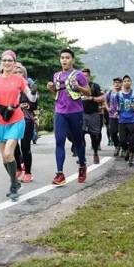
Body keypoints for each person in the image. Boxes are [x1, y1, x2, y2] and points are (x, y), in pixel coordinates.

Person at [0, 50, 36, 201]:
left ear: (14, 63)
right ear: (1, 62)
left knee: (9, 154)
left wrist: (34, 92)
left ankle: (14, 186)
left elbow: (32, 98)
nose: (7, 63)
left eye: (10, 60)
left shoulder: (19, 80)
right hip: (0, 119)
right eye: (4, 60)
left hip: (16, 118)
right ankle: (15, 182)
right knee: (4, 159)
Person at [46, 49, 91, 185]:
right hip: (60, 112)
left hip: (75, 112)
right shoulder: (56, 75)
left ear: (72, 60)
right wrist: (51, 88)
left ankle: (82, 165)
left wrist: (79, 87)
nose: (64, 60)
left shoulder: (78, 75)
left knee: (78, 142)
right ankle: (60, 174)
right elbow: (56, 91)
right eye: (62, 58)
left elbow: (88, 92)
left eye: (67, 58)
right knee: (59, 141)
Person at [13, 62, 38, 183]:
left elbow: (35, 102)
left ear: (24, 74)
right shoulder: (10, 86)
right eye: (15, 72)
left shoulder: (29, 86)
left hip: (26, 118)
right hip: (12, 118)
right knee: (13, 145)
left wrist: (28, 104)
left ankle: (28, 172)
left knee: (25, 146)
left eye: (20, 72)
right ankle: (18, 167)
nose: (18, 74)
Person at [117, 75, 134, 167]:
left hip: (132, 119)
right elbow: (117, 106)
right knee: (122, 140)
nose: (126, 82)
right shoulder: (119, 94)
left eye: (128, 81)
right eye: (125, 81)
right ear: (122, 83)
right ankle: (126, 150)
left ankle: (131, 158)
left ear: (131, 82)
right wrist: (117, 112)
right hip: (122, 120)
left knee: (133, 141)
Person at [81, 68, 104, 165]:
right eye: (82, 76)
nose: (84, 78)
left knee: (94, 136)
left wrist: (92, 98)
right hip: (81, 114)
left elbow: (102, 98)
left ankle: (95, 152)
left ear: (89, 77)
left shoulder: (95, 86)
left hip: (93, 114)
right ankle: (81, 155)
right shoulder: (78, 87)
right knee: (79, 134)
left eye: (86, 76)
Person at [105, 77, 122, 156]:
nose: (117, 84)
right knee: (113, 132)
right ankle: (117, 146)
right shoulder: (110, 92)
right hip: (112, 116)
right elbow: (105, 100)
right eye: (115, 82)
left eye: (118, 82)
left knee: (122, 133)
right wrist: (107, 107)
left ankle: (124, 148)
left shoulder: (123, 92)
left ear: (121, 84)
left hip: (122, 116)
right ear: (113, 84)